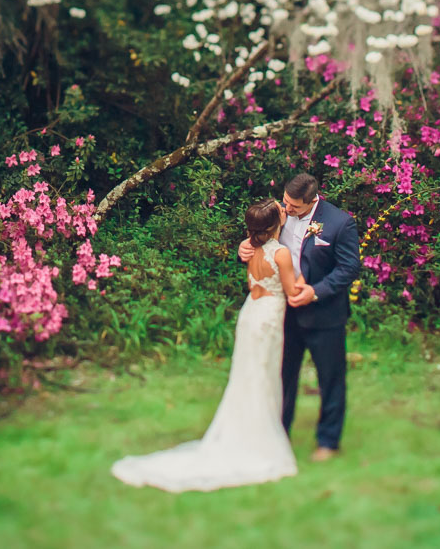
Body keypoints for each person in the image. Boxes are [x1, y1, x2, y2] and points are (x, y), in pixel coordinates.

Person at [111, 199, 302, 492]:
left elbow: (253, 285)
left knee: (248, 374)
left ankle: (249, 431)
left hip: (250, 313)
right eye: (281, 211)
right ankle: (262, 439)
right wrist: (312, 287)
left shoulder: (251, 250)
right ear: (277, 224)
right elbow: (291, 291)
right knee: (264, 375)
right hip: (269, 317)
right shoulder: (282, 254)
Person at [237, 172, 361, 461]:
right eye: (285, 202)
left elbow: (348, 269)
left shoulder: (340, 223)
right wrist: (245, 247)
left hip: (324, 315)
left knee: (330, 378)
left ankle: (328, 441)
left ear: (311, 201)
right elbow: (261, 244)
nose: (286, 209)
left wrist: (315, 291)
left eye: (293, 206)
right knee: (283, 376)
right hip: (283, 313)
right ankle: (278, 434)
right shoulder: (279, 213)